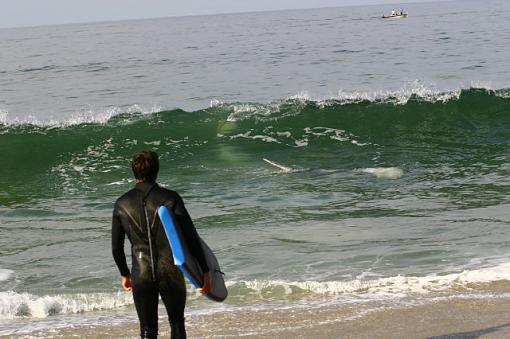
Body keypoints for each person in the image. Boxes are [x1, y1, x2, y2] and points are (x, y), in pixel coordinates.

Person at [112, 149, 211, 338]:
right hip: (169, 270)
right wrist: (205, 271)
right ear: (157, 170)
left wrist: (124, 273)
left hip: (141, 272)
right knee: (176, 324)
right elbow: (190, 236)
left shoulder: (121, 203)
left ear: (134, 172)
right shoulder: (171, 198)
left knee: (148, 330)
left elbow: (116, 248)